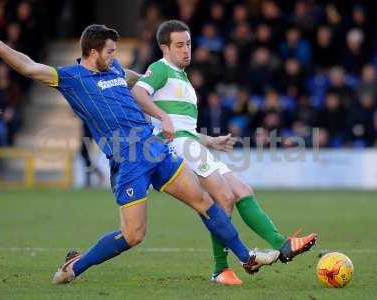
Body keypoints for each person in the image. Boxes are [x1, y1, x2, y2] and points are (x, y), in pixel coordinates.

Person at [0, 24, 281, 284]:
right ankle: (74, 267)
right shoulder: (71, 78)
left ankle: (246, 256)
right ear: (93, 52)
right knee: (134, 235)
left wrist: (166, 89)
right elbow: (29, 67)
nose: (114, 56)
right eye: (110, 51)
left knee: (204, 201)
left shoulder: (119, 70)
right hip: (127, 161)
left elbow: (146, 80)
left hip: (153, 147)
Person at [132, 20, 318, 286]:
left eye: (189, 44)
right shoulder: (160, 69)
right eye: (180, 45)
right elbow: (138, 92)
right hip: (178, 147)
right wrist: (162, 117)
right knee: (223, 197)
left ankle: (282, 244)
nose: (186, 50)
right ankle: (221, 268)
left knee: (242, 190)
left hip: (191, 143)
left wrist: (211, 140)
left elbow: (184, 126)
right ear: (165, 47)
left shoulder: (182, 77)